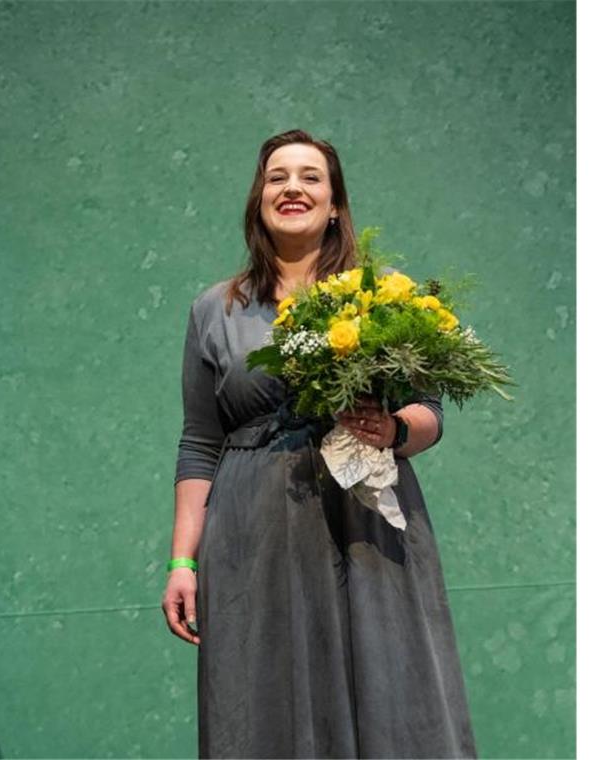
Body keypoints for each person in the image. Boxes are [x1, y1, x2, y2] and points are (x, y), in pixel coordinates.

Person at [161, 129, 476, 758]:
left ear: (334, 203)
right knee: (263, 696)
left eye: (310, 177)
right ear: (259, 199)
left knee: (391, 689)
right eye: (277, 177)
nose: (292, 188)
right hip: (254, 532)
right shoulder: (214, 310)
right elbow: (200, 443)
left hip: (363, 518)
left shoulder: (383, 296)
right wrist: (182, 561)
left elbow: (431, 410)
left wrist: (394, 429)